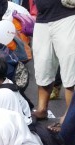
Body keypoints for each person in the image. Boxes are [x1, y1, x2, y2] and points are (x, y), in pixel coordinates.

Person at [31, 0, 75, 131]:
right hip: (43, 17)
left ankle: (69, 116)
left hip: (67, 14)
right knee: (42, 65)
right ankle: (42, 108)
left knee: (70, 68)